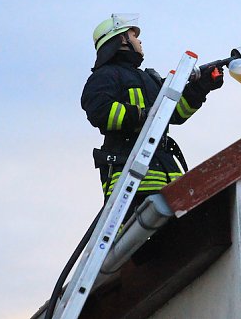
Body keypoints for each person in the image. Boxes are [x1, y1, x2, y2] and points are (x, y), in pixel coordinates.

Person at [80, 13, 223, 214]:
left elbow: (175, 114)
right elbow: (99, 110)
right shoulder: (106, 75)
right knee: (134, 233)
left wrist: (201, 87)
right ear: (121, 40)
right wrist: (142, 115)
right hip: (129, 179)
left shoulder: (148, 79)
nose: (139, 41)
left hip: (167, 176)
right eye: (134, 35)